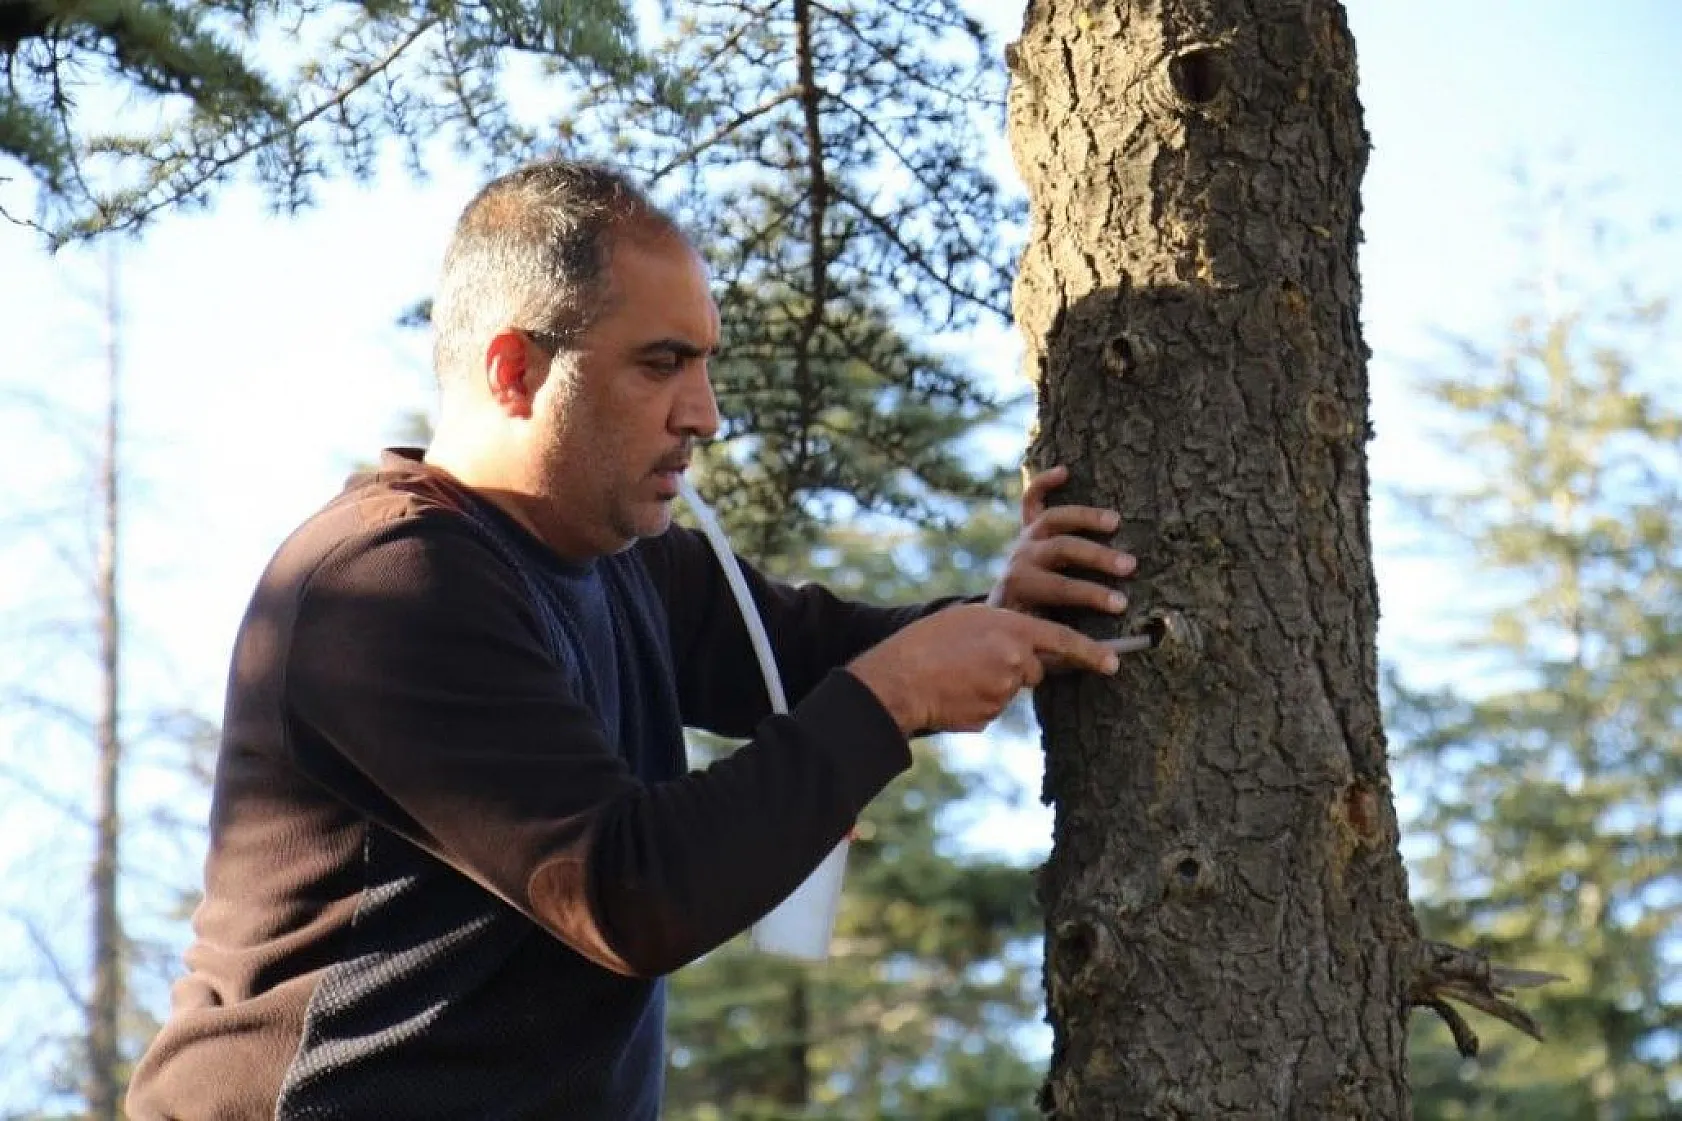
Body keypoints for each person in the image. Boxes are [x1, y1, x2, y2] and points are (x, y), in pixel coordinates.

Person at [126, 160, 1137, 1120]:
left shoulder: (629, 565)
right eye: (661, 363)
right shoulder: (388, 581)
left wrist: (1009, 609)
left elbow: (834, 652)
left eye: (703, 363)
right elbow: (624, 890)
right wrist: (886, 702)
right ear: (515, 370)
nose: (702, 412)